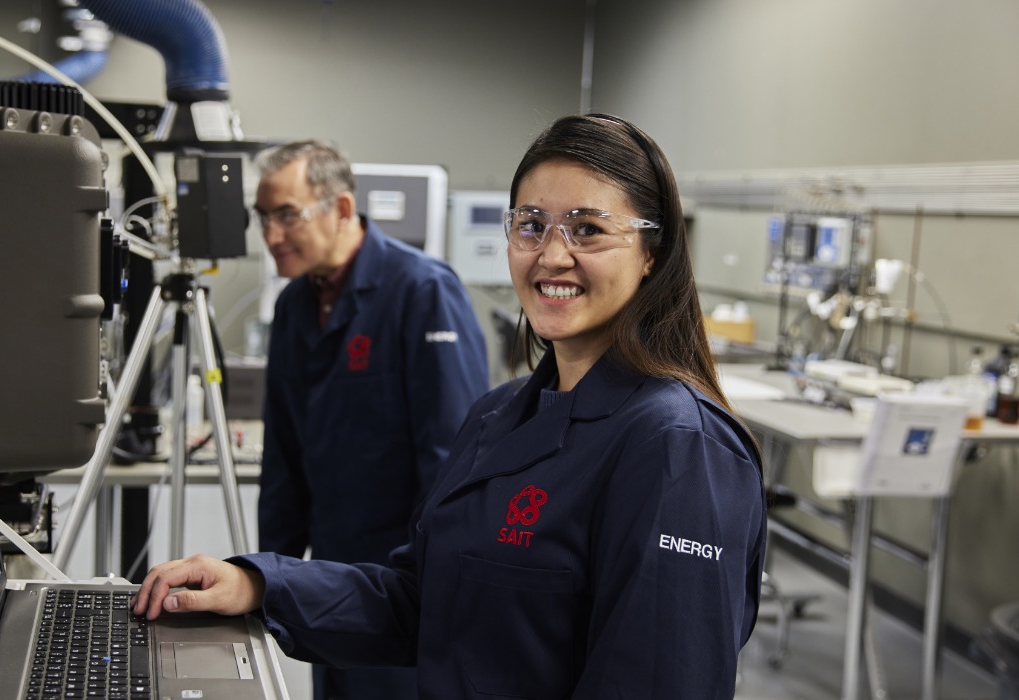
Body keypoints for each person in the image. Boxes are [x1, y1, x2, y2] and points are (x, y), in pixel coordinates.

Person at [135, 115, 767, 699]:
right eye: (531, 225)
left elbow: (659, 682)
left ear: (652, 253)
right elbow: (422, 601)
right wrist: (260, 583)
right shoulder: (501, 415)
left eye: (589, 229)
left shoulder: (678, 445)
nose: (552, 254)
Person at [249, 140, 490, 699]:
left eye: (287, 215)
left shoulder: (423, 292)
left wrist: (434, 589)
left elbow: (450, 466)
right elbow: (283, 458)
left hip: (400, 588)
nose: (270, 235)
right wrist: (267, 577)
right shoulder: (294, 306)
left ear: (339, 208)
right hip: (326, 581)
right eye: (262, 217)